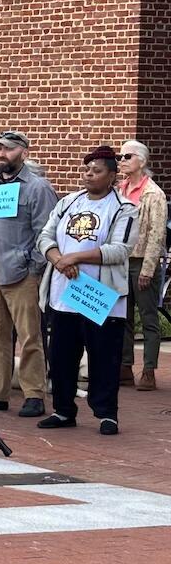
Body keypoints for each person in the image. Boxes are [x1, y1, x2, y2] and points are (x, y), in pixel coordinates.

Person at [36, 146, 137, 435]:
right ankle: (63, 409)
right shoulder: (69, 202)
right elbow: (45, 235)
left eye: (97, 171)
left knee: (103, 355)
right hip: (62, 293)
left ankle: (107, 414)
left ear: (112, 176)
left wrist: (77, 257)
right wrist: (59, 260)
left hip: (99, 294)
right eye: (87, 170)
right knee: (61, 355)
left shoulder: (123, 208)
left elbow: (120, 249)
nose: (89, 175)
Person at [0, 131, 58, 417]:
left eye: (7, 150)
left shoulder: (37, 188)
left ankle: (33, 394)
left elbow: (47, 233)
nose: (1, 155)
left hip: (20, 273)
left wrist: (33, 268)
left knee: (29, 337)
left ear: (23, 153)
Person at [117, 140, 166, 390]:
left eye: (127, 156)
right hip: (121, 260)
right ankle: (125, 366)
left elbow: (157, 234)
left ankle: (149, 369)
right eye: (120, 156)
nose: (122, 160)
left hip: (141, 260)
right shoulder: (120, 189)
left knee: (148, 317)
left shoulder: (154, 194)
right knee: (122, 316)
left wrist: (148, 269)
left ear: (142, 162)